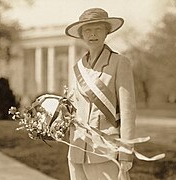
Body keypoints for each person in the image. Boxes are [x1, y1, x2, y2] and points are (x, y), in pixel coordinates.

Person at [65, 8, 137, 180]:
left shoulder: (120, 63)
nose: (93, 34)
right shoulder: (77, 68)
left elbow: (128, 112)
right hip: (76, 149)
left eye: (98, 29)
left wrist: (126, 151)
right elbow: (71, 107)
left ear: (107, 32)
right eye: (87, 30)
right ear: (82, 35)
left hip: (105, 150)